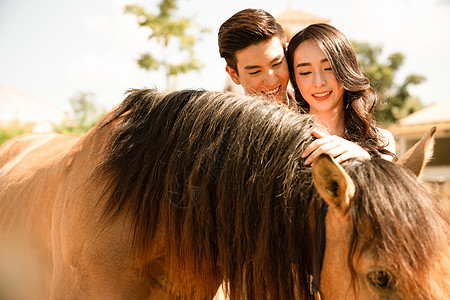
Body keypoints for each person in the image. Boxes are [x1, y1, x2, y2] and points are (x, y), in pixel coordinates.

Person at [286, 23, 396, 164]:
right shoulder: (288, 143)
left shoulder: (381, 141)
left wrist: (365, 160)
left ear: (345, 69)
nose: (318, 83)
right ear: (295, 79)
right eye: (306, 72)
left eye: (328, 68)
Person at [218, 8, 295, 107]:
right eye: (255, 72)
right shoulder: (229, 122)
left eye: (277, 64)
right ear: (234, 75)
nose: (271, 82)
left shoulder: (313, 106)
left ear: (287, 54)